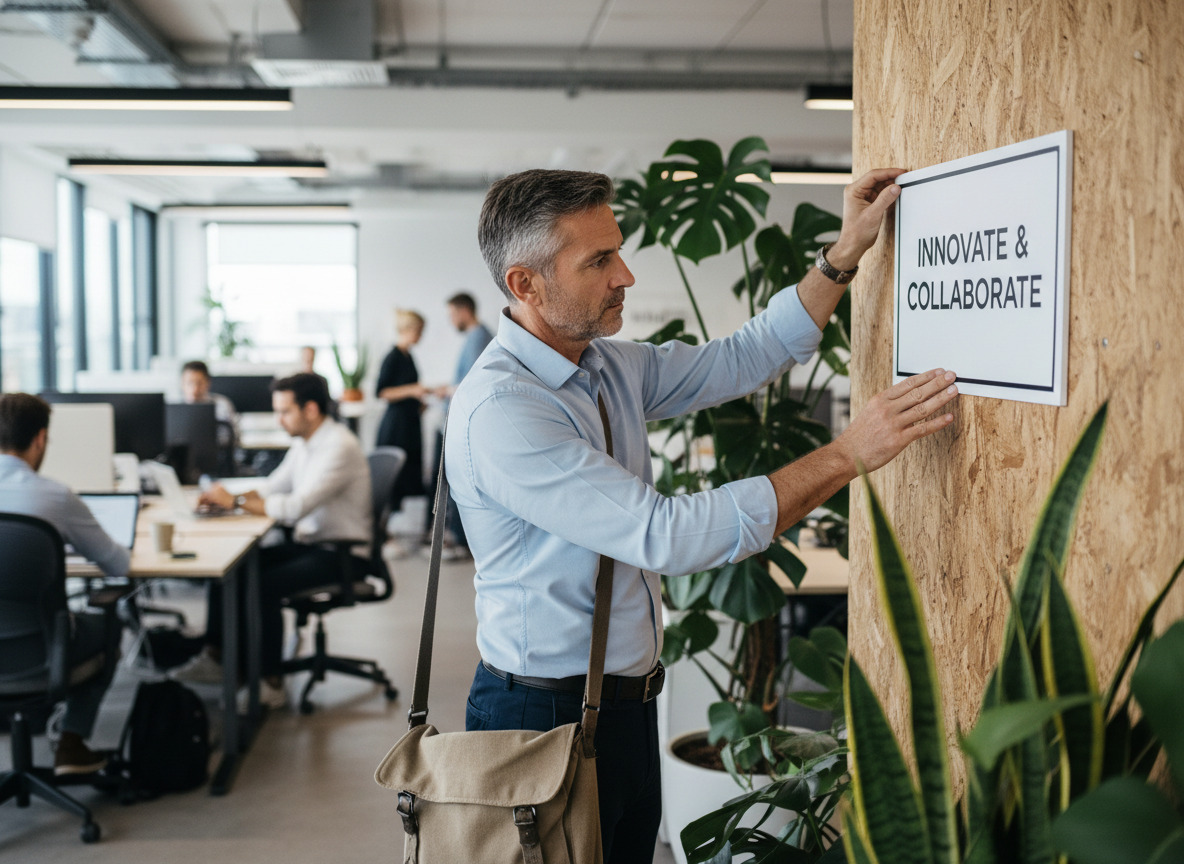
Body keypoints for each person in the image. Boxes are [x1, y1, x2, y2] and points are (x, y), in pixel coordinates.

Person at [446, 168, 959, 861]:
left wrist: (841, 257)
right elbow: (663, 535)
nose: (624, 275)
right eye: (598, 260)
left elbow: (743, 358)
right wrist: (845, 456)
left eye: (618, 250)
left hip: (620, 710)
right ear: (525, 285)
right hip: (540, 715)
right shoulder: (505, 410)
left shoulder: (605, 367)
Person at [170, 373, 372, 709]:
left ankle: (270, 680)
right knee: (235, 567)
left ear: (310, 409)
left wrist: (234, 502)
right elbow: (271, 487)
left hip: (342, 553)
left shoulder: (338, 446)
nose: (278, 420)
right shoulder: (306, 442)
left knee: (264, 584)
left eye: (284, 412)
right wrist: (224, 495)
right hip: (313, 544)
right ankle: (220, 657)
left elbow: (294, 508)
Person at [0, 393, 126, 775]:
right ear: (40, 439)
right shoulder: (54, 496)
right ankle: (72, 742)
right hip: (41, 650)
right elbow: (118, 565)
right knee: (108, 624)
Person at [423, 292, 493, 555]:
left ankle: (460, 541)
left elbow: (472, 385)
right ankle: (456, 538)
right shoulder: (476, 337)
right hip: (457, 420)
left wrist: (446, 390)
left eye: (452, 314)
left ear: (465, 311)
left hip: (463, 424)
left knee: (456, 481)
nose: (451, 320)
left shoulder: (478, 338)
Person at [375, 309, 434, 518]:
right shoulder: (392, 357)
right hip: (396, 427)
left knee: (410, 475)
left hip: (410, 423)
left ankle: (400, 526)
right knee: (395, 479)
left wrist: (418, 401)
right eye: (418, 331)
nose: (420, 336)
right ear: (408, 330)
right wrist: (412, 390)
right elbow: (381, 392)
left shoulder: (409, 356)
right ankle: (387, 529)